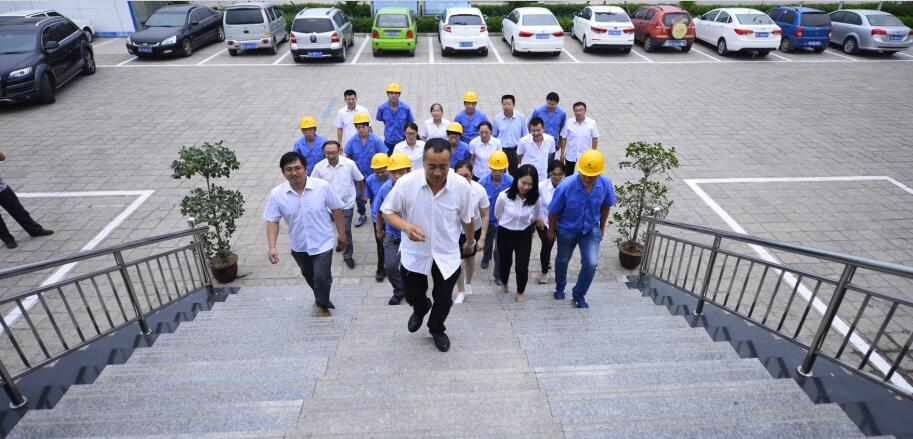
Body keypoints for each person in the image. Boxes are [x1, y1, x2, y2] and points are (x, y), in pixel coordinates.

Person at [381, 138, 476, 353]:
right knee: (412, 294)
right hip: (415, 252)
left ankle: (436, 328)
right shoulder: (406, 183)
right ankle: (421, 307)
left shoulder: (461, 186)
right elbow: (387, 211)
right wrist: (406, 226)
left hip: (446, 252)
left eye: (443, 166)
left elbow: (467, 219)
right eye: (432, 166)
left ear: (450, 163)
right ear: (423, 162)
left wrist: (470, 242)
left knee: (444, 299)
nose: (437, 172)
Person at [265, 151, 347, 317]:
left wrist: (342, 233)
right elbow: (272, 220)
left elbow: (336, 209)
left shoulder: (322, 187)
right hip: (299, 245)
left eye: (298, 168)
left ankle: (322, 305)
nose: (294, 172)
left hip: (323, 241)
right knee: (309, 275)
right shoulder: (277, 194)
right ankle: (320, 297)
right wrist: (272, 247)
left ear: (305, 169)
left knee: (321, 277)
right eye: (289, 169)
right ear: (283, 172)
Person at [548, 150, 615, 309]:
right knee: (562, 260)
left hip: (590, 229)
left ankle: (579, 293)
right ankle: (560, 286)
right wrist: (551, 231)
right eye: (584, 175)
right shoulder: (565, 186)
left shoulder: (605, 184)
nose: (587, 179)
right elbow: (553, 211)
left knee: (591, 263)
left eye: (592, 176)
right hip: (567, 229)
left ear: (599, 174)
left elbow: (606, 206)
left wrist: (602, 227)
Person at [312, 141, 365, 269]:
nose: (331, 156)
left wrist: (362, 195)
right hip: (328, 206)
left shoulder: (349, 164)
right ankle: (341, 240)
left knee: (345, 229)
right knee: (336, 227)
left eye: (334, 153)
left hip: (346, 203)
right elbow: (313, 184)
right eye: (328, 153)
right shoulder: (319, 167)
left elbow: (359, 179)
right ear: (324, 153)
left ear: (339, 151)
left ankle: (347, 255)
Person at [495, 164, 542, 302]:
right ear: (517, 180)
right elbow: (498, 214)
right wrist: (509, 222)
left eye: (530, 184)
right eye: (523, 182)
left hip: (524, 235)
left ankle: (520, 291)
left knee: (522, 266)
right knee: (505, 262)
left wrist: (525, 223)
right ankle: (504, 282)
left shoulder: (535, 198)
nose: (526, 187)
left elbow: (535, 216)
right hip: (505, 233)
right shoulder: (504, 196)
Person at [373, 153, 412, 305]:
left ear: (408, 171)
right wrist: (379, 230)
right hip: (393, 234)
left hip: (412, 235)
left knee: (413, 268)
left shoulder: (417, 187)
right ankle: (400, 290)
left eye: (401, 172)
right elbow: (378, 210)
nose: (397, 176)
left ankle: (413, 290)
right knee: (390, 266)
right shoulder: (385, 189)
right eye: (393, 172)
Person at [0, 151, 54, 249]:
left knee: (18, 210)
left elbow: (2, 158)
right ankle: (8, 240)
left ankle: (35, 230)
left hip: (2, 188)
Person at [453, 161, 489, 304]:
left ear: (472, 175)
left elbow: (485, 214)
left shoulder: (479, 190)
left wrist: (482, 238)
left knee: (469, 257)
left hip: (473, 229)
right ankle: (461, 290)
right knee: (456, 261)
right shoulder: (448, 189)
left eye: (466, 176)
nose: (463, 179)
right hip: (454, 230)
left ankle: (468, 283)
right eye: (459, 176)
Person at [344, 112, 386, 227]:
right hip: (359, 175)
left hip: (374, 174)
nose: (361, 129)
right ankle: (362, 214)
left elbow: (384, 155)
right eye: (358, 127)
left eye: (363, 127)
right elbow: (348, 155)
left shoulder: (376, 140)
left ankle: (377, 213)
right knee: (359, 196)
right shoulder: (353, 140)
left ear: (368, 127)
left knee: (375, 195)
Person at [477, 151, 512, 283]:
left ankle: (498, 275)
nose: (497, 172)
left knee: (499, 250)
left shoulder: (510, 181)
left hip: (504, 222)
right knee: (487, 242)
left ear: (505, 168)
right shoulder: (482, 182)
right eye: (495, 169)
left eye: (500, 169)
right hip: (488, 220)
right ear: (490, 167)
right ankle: (486, 256)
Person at [536, 161, 566, 284]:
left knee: (564, 248)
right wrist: (537, 217)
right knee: (547, 244)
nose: (556, 177)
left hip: (562, 223)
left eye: (559, 174)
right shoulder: (541, 186)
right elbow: (533, 203)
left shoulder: (567, 186)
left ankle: (561, 270)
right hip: (544, 221)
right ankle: (544, 271)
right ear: (549, 173)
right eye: (554, 174)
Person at [364, 153, 390, 282]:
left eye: (382, 171)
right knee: (380, 245)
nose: (380, 174)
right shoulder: (370, 180)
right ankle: (381, 270)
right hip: (378, 218)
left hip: (393, 217)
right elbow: (369, 197)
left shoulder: (394, 178)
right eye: (377, 172)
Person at [558, 101, 599, 175]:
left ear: (585, 111)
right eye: (576, 110)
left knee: (584, 174)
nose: (578, 112)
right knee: (568, 174)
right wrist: (562, 153)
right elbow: (564, 138)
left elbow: (595, 138)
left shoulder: (591, 123)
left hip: (585, 155)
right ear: (573, 111)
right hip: (571, 154)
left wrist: (593, 153)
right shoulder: (569, 122)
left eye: (581, 110)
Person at [492, 94, 528, 177]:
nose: (507, 106)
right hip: (501, 149)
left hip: (515, 149)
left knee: (515, 172)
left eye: (509, 104)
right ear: (502, 105)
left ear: (513, 105)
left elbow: (525, 135)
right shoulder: (497, 118)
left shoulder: (521, 118)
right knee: (500, 171)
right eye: (504, 104)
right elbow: (494, 135)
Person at [375, 82, 415, 153]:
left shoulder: (406, 108)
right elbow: (381, 119)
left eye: (396, 93)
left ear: (399, 94)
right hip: (388, 142)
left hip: (402, 141)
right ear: (387, 94)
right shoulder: (382, 108)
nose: (393, 95)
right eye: (391, 93)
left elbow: (410, 123)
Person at [531, 92, 567, 163]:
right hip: (539, 142)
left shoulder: (562, 113)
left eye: (553, 105)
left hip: (552, 143)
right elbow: (530, 125)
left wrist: (559, 143)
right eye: (549, 103)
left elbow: (562, 129)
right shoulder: (538, 111)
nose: (550, 106)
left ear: (557, 103)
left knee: (549, 163)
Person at [517, 117, 556, 182]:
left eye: (538, 130)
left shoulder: (550, 140)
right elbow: (519, 155)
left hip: (542, 175)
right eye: (533, 130)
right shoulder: (523, 141)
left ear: (543, 129)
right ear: (530, 130)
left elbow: (550, 153)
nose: (536, 133)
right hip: (527, 174)